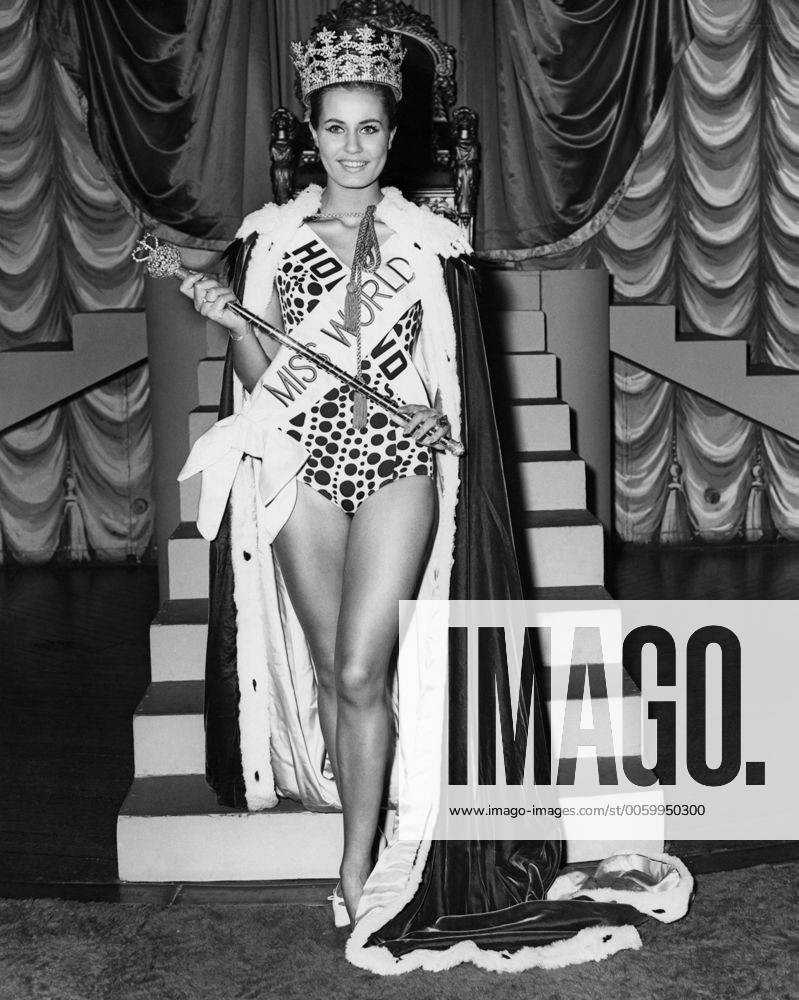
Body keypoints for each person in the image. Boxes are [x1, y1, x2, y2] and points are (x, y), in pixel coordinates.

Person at [177, 21, 693, 975]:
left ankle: (359, 857)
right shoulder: (269, 240)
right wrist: (223, 321)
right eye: (335, 130)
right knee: (335, 673)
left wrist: (431, 419)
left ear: (392, 132)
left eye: (370, 130)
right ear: (311, 133)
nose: (353, 148)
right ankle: (369, 816)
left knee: (365, 668)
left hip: (395, 467)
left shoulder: (430, 243)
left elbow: (447, 377)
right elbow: (267, 379)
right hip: (299, 466)